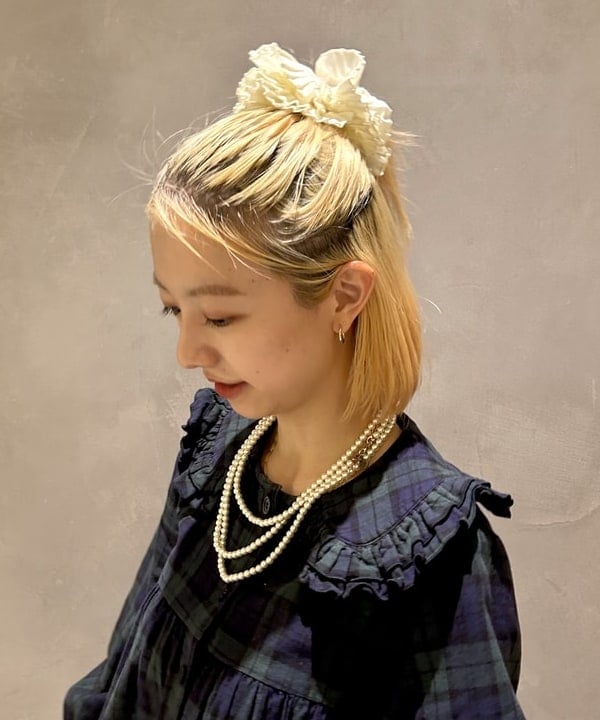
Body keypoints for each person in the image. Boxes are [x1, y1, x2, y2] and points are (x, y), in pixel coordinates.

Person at [64, 43, 525, 719]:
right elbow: (120, 683)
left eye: (220, 317)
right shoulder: (218, 459)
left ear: (344, 296)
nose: (187, 352)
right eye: (173, 310)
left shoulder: (425, 555)